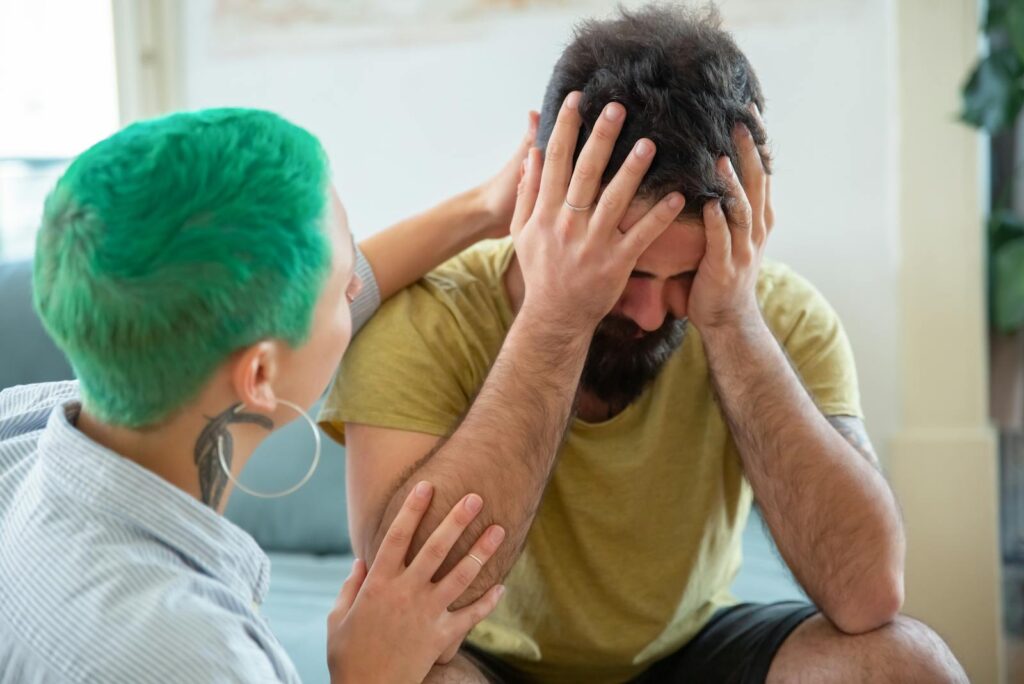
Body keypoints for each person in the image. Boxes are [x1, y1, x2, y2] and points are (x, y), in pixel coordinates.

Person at [322, 5, 969, 683]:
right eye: (624, 270)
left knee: (907, 662)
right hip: (483, 657)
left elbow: (868, 594)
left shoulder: (779, 315)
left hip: (690, 650)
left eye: (685, 275)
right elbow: (399, 612)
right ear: (543, 191)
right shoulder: (426, 319)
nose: (651, 313)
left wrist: (732, 322)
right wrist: (556, 319)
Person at [0, 106, 676, 683]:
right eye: (338, 284)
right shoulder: (198, 656)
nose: (358, 288)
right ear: (259, 376)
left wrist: (484, 209)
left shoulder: (31, 423)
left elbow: (313, 303)